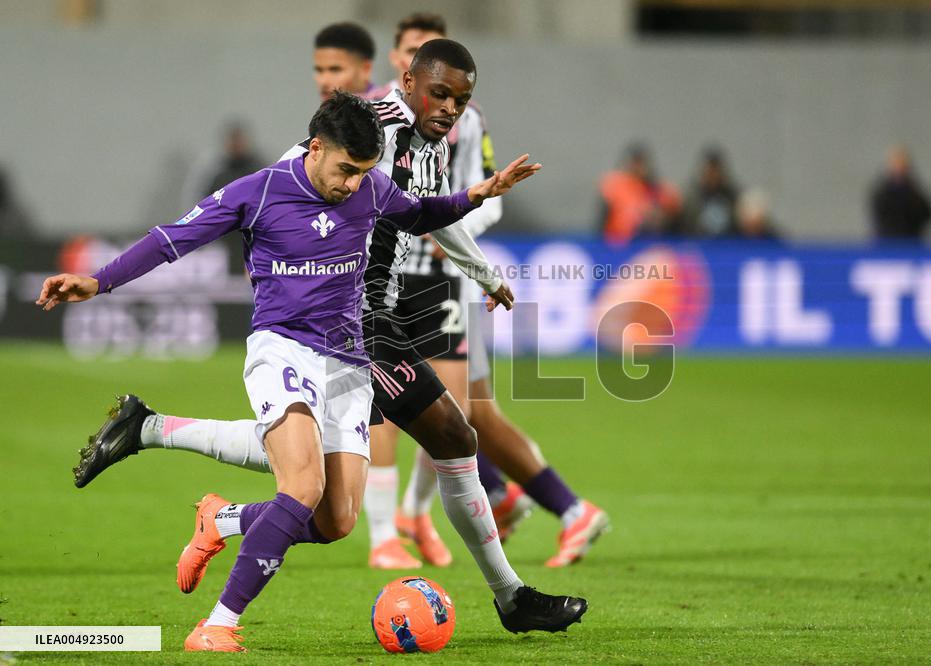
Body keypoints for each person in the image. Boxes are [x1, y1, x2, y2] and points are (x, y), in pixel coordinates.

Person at [43, 91, 586, 652]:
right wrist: (98, 281)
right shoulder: (258, 191)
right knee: (301, 484)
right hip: (283, 351)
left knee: (336, 520)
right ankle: (216, 626)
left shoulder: (372, 187)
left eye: (363, 173)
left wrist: (477, 193)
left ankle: (213, 508)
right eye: (346, 170)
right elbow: (169, 241)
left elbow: (421, 214)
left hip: (348, 362)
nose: (352, 185)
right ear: (316, 147)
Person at [375, 13, 611, 569]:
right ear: (404, 70)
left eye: (459, 96)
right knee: (401, 418)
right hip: (355, 291)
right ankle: (418, 520)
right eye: (439, 90)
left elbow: (447, 207)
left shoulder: (455, 128)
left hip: (435, 280)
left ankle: (429, 518)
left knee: (454, 412)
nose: (450, 106)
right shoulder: (375, 122)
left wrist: (481, 271)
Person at [599, 143, 682, 245]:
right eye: (635, 163)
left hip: (648, 245)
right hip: (618, 244)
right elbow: (603, 218)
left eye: (640, 163)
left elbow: (673, 217)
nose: (638, 168)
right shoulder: (615, 186)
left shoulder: (658, 190)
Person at [869, 146, 931, 242]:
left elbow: (928, 214)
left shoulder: (915, 191)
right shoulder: (881, 193)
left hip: (911, 242)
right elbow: (880, 218)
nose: (899, 169)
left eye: (902, 165)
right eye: (896, 165)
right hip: (887, 243)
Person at [683, 146, 740, 237]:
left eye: (715, 172)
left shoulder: (733, 197)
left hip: (727, 245)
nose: (712, 177)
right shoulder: (692, 198)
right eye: (709, 172)